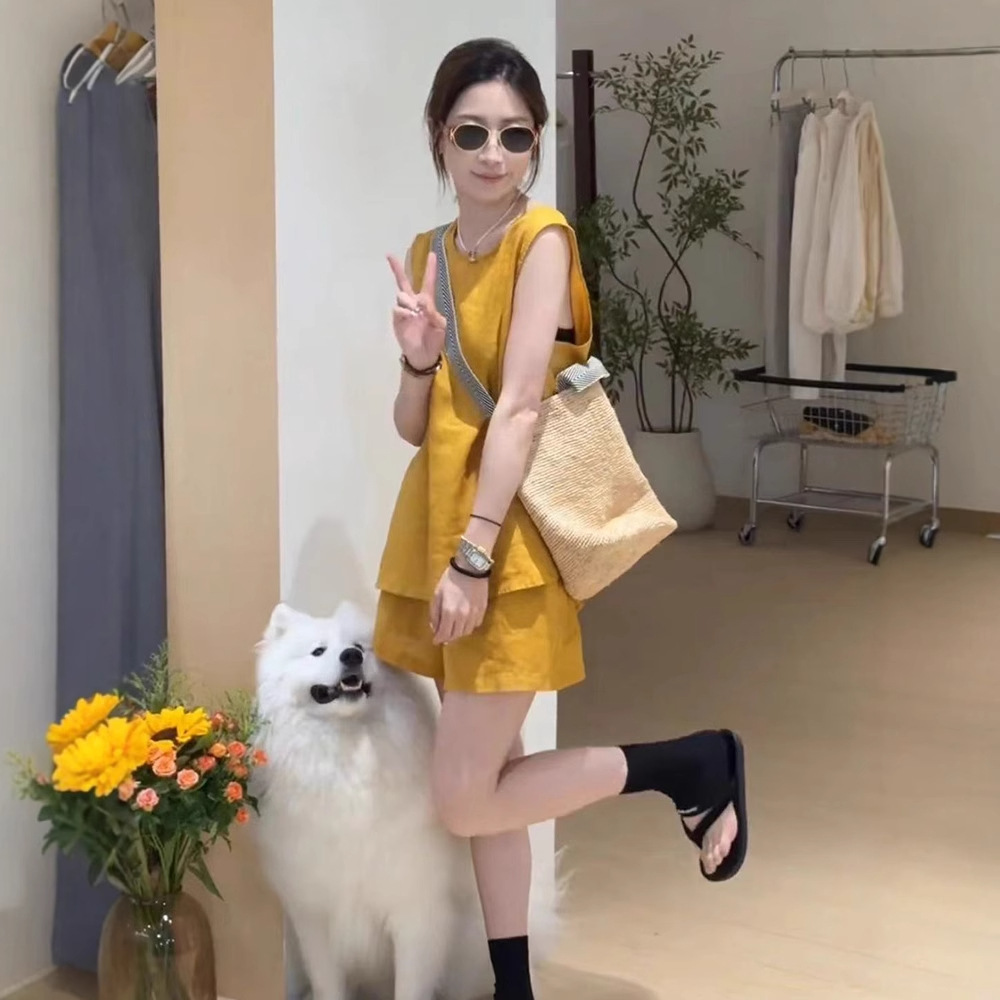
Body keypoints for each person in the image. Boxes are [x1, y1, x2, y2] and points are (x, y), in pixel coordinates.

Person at [373, 37, 748, 1000]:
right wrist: (418, 355)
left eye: (515, 135)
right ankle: (514, 987)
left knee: (464, 798)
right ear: (438, 136)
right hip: (442, 532)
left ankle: (689, 764)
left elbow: (522, 408)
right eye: (472, 133)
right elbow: (416, 426)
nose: (493, 154)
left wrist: (473, 556)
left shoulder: (542, 239)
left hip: (501, 545)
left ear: (536, 144)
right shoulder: (427, 253)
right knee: (494, 780)